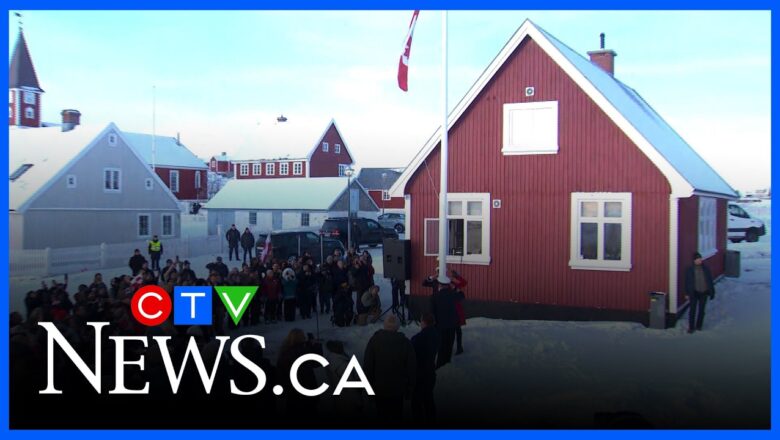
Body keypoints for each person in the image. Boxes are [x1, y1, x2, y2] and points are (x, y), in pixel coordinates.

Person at [363, 315, 416, 421]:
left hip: (379, 389)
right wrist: (410, 388)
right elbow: (412, 368)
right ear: (398, 327)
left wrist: (367, 389)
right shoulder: (405, 343)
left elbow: (368, 365)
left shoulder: (374, 341)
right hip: (398, 390)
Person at [430, 274, 464, 369]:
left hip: (439, 326)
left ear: (440, 285)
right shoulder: (453, 295)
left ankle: (439, 365)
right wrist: (455, 288)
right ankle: (446, 365)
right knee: (449, 346)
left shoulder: (434, 296)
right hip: (451, 326)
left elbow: (432, 312)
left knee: (441, 347)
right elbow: (462, 296)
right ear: (448, 285)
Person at [411, 313, 440, 422]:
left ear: (424, 322)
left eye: (421, 321)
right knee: (428, 399)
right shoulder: (436, 335)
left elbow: (411, 354)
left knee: (416, 402)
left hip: (419, 374)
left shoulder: (418, 338)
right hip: (430, 372)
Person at [684, 252, 715, 333]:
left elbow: (709, 280)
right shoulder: (690, 269)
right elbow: (687, 282)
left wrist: (712, 292)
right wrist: (687, 293)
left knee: (701, 310)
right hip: (694, 292)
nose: (699, 261)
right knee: (692, 310)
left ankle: (699, 326)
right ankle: (691, 327)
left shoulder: (705, 269)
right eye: (698, 259)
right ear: (694, 260)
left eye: (700, 259)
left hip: (704, 292)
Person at [448, 269, 468, 355]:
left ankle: (459, 347)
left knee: (457, 329)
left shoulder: (456, 286)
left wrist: (457, 277)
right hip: (449, 309)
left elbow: (464, 283)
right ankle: (450, 347)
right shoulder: (447, 285)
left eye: (453, 276)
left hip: (456, 310)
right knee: (450, 330)